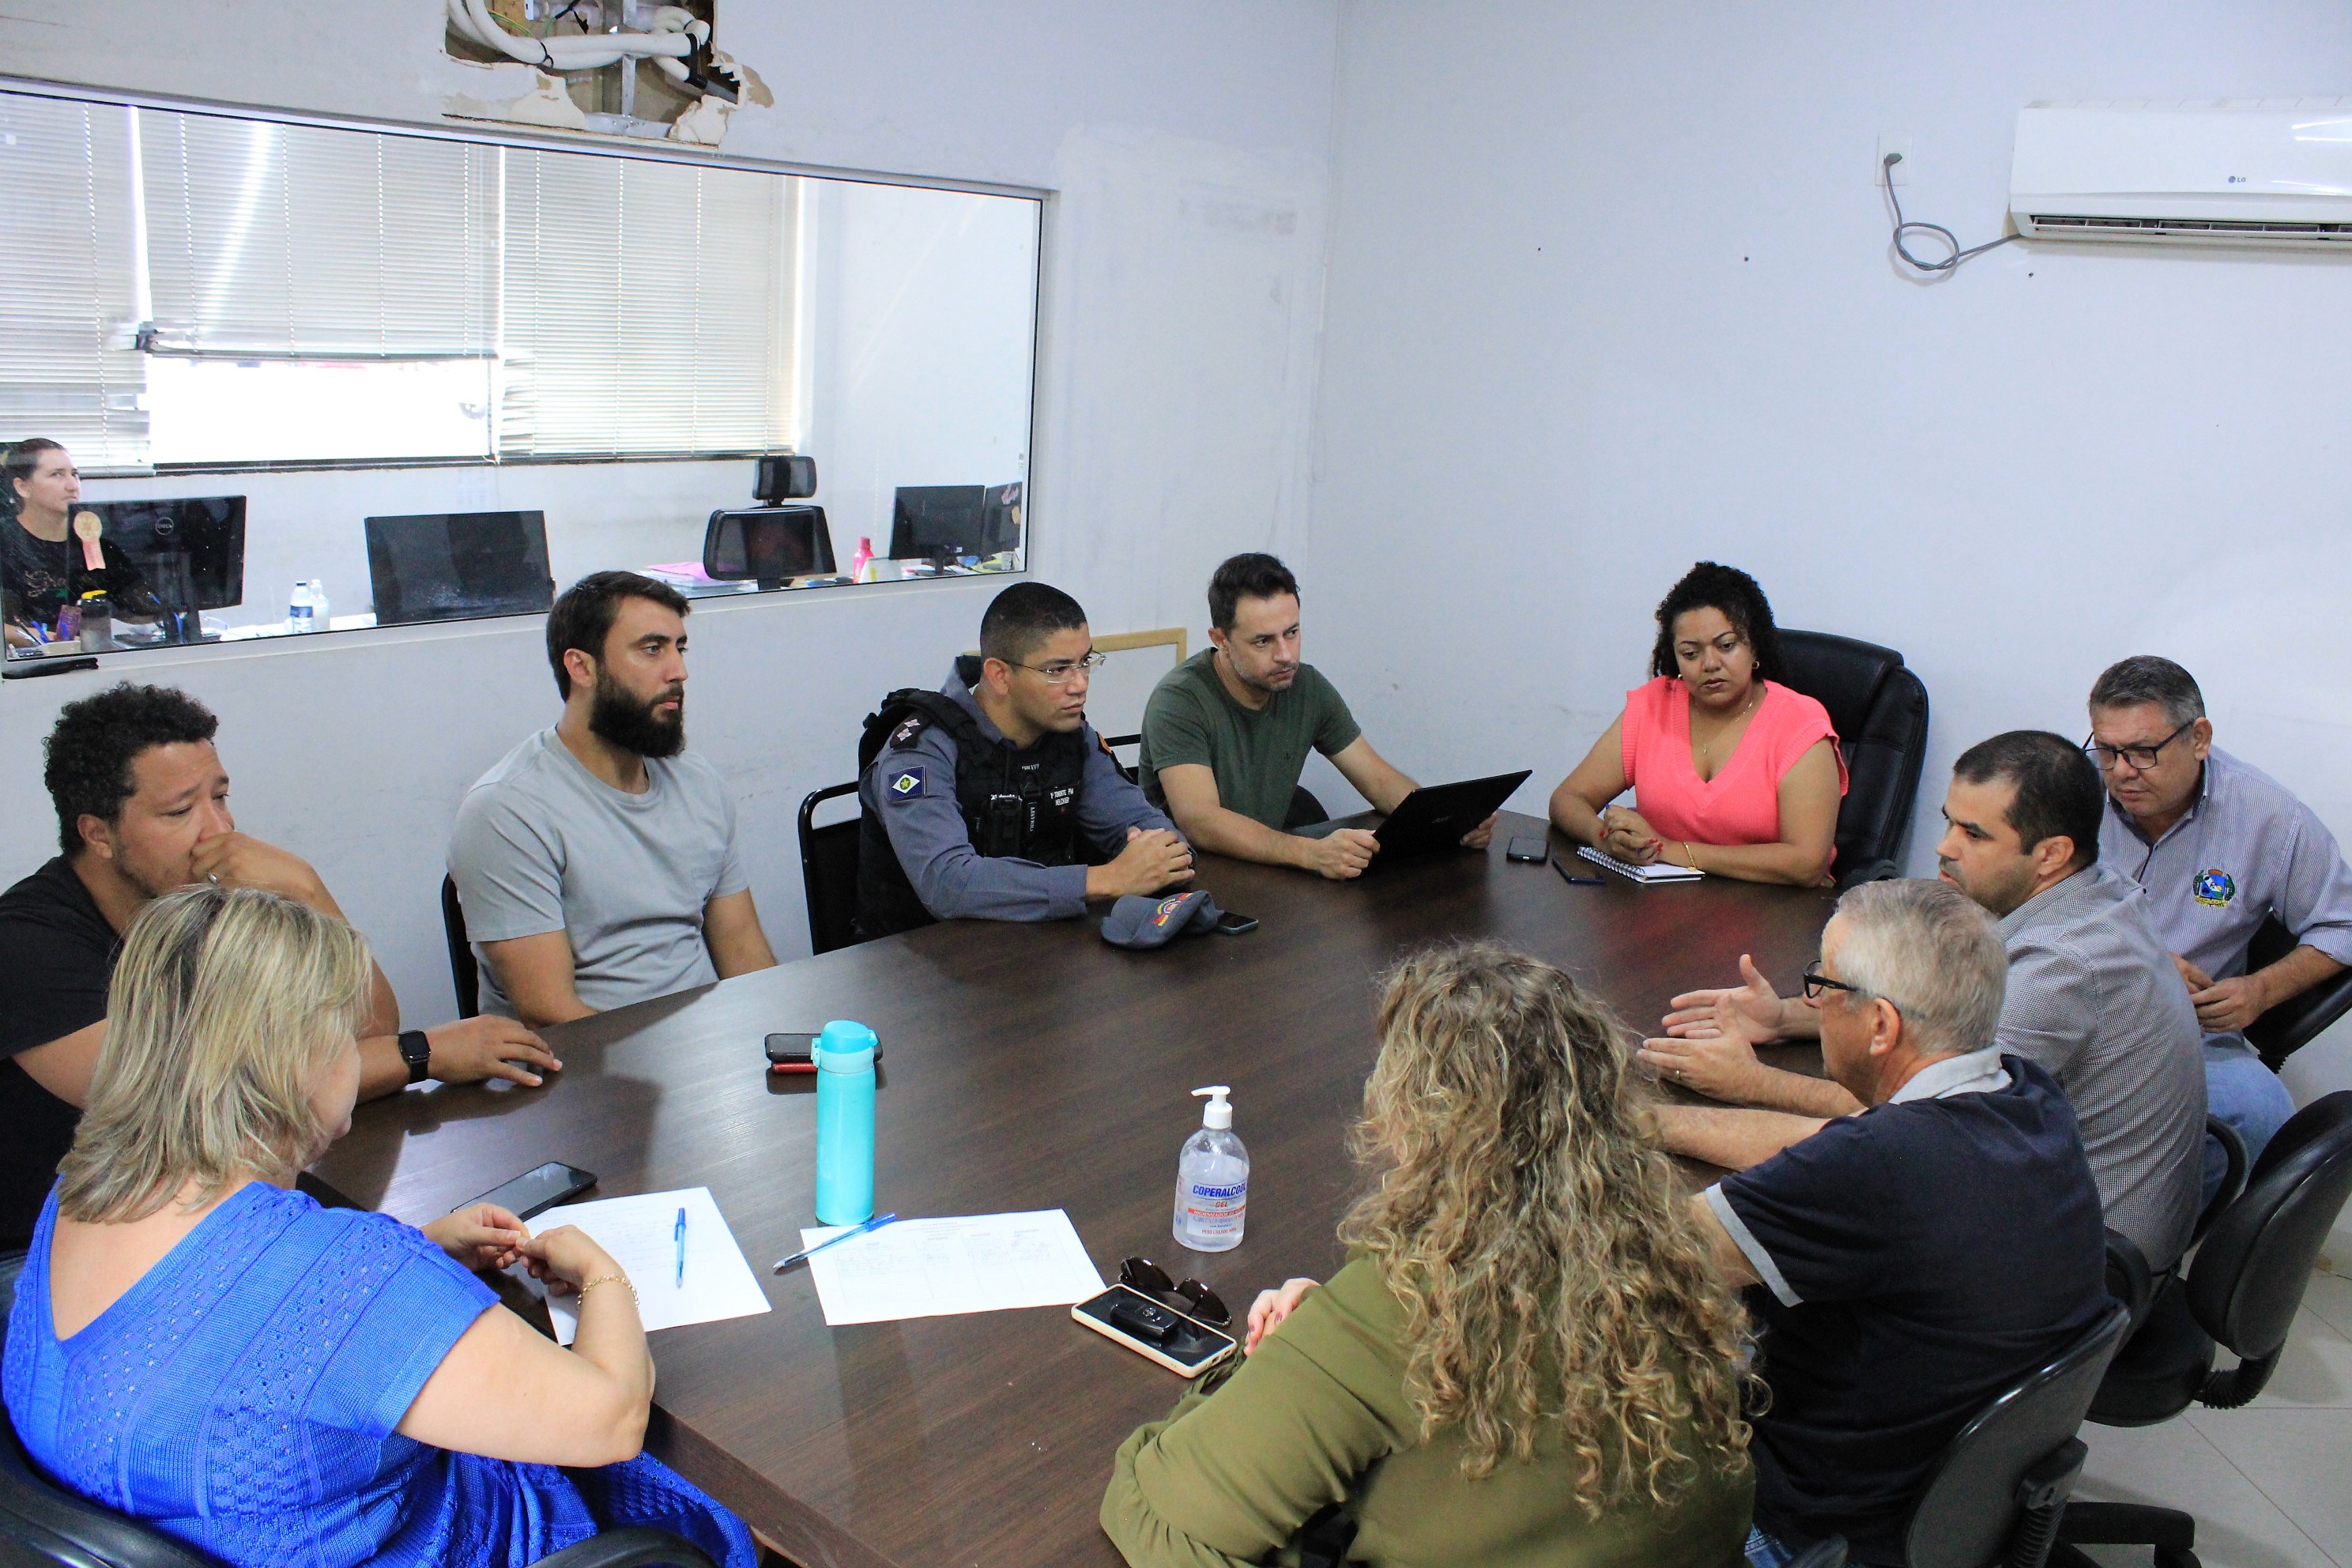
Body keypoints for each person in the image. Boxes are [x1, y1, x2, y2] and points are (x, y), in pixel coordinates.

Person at [3, 884, 755, 1568]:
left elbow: (228, 1333)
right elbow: (612, 1421)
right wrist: (603, 1275)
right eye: (345, 1036)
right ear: (288, 1060)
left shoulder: (80, 1190)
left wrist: (421, 1253)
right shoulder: (341, 1276)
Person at [1101, 942, 1755, 1567]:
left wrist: (1265, 1366)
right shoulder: (1664, 1254)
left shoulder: (1399, 1308)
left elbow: (1159, 1511)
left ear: (1410, 1115)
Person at [0, 683, 556, 1265]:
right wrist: (421, 1054)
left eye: (220, 797)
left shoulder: (199, 907)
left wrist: (306, 888)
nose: (218, 830)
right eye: (180, 811)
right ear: (97, 834)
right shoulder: (26, 946)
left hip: (200, 1219)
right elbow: (198, 1104)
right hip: (54, 1255)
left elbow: (364, 1029)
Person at [1642, 733, 2206, 1271]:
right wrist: (1789, 1017)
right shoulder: (2090, 891)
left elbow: (1907, 1120)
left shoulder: (2064, 970)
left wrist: (1749, 1084)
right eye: (1948, 822)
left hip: (2086, 1257)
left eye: (1974, 834)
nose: (1945, 847)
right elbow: (1942, 1018)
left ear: (2051, 854)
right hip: (2056, 1203)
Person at [1667, 880, 2109, 1565]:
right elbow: (1823, 1145)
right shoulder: (2025, 1095)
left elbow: (1641, 1254)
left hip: (1807, 1527)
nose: (1809, 1002)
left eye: (1822, 985)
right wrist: (1655, 1122)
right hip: (1942, 1503)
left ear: (1881, 1026)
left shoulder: (1878, 1168)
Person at [450, 571, 777, 1027]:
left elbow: (741, 947)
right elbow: (548, 1011)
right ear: (581, 667)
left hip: (704, 1048)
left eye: (679, 648)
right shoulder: (506, 809)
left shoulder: (697, 782)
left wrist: (777, 1038)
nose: (678, 671)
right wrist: (682, 1070)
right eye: (651, 648)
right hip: (585, 1070)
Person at [2087, 655, 2352, 1170]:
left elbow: (2346, 921)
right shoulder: (2070, 789)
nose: (2120, 772)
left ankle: (2143, 1241)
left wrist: (2262, 990)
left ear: (2199, 738)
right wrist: (2138, 958)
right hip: (2062, 1002)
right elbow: (2008, 899)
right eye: (2108, 750)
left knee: (2262, 1111)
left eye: (2142, 752)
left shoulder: (2268, 818)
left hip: (2184, 1037)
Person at [856, 581, 1194, 937]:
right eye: (1057, 669)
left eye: (1085, 662)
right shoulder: (921, 750)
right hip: (915, 965)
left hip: (1037, 950)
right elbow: (948, 884)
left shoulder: (1072, 736)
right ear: (1000, 676)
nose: (1080, 684)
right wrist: (1106, 879)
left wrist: (1159, 856)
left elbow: (1150, 828)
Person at [1136, 553, 1495, 879]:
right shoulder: (1179, 699)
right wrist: (1312, 852)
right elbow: (1200, 821)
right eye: (1263, 641)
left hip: (1266, 872)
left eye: (1292, 633)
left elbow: (1380, 781)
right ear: (1221, 640)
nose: (1285, 655)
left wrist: (1448, 823)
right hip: (1190, 881)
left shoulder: (1306, 686)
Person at [1549, 562, 1845, 886]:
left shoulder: (1799, 724)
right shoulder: (1653, 705)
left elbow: (1807, 863)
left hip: (1776, 915)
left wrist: (1672, 850)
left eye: (1726, 646)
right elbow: (1567, 799)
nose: (1710, 664)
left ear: (1754, 645)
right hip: (1666, 909)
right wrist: (1604, 837)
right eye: (1690, 653)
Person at [2, 438, 161, 649]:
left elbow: (143, 609)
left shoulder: (98, 546)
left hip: (98, 659)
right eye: (57, 474)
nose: (72, 485)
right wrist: (59, 642)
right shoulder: (6, 544)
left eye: (75, 475)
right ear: (23, 487)